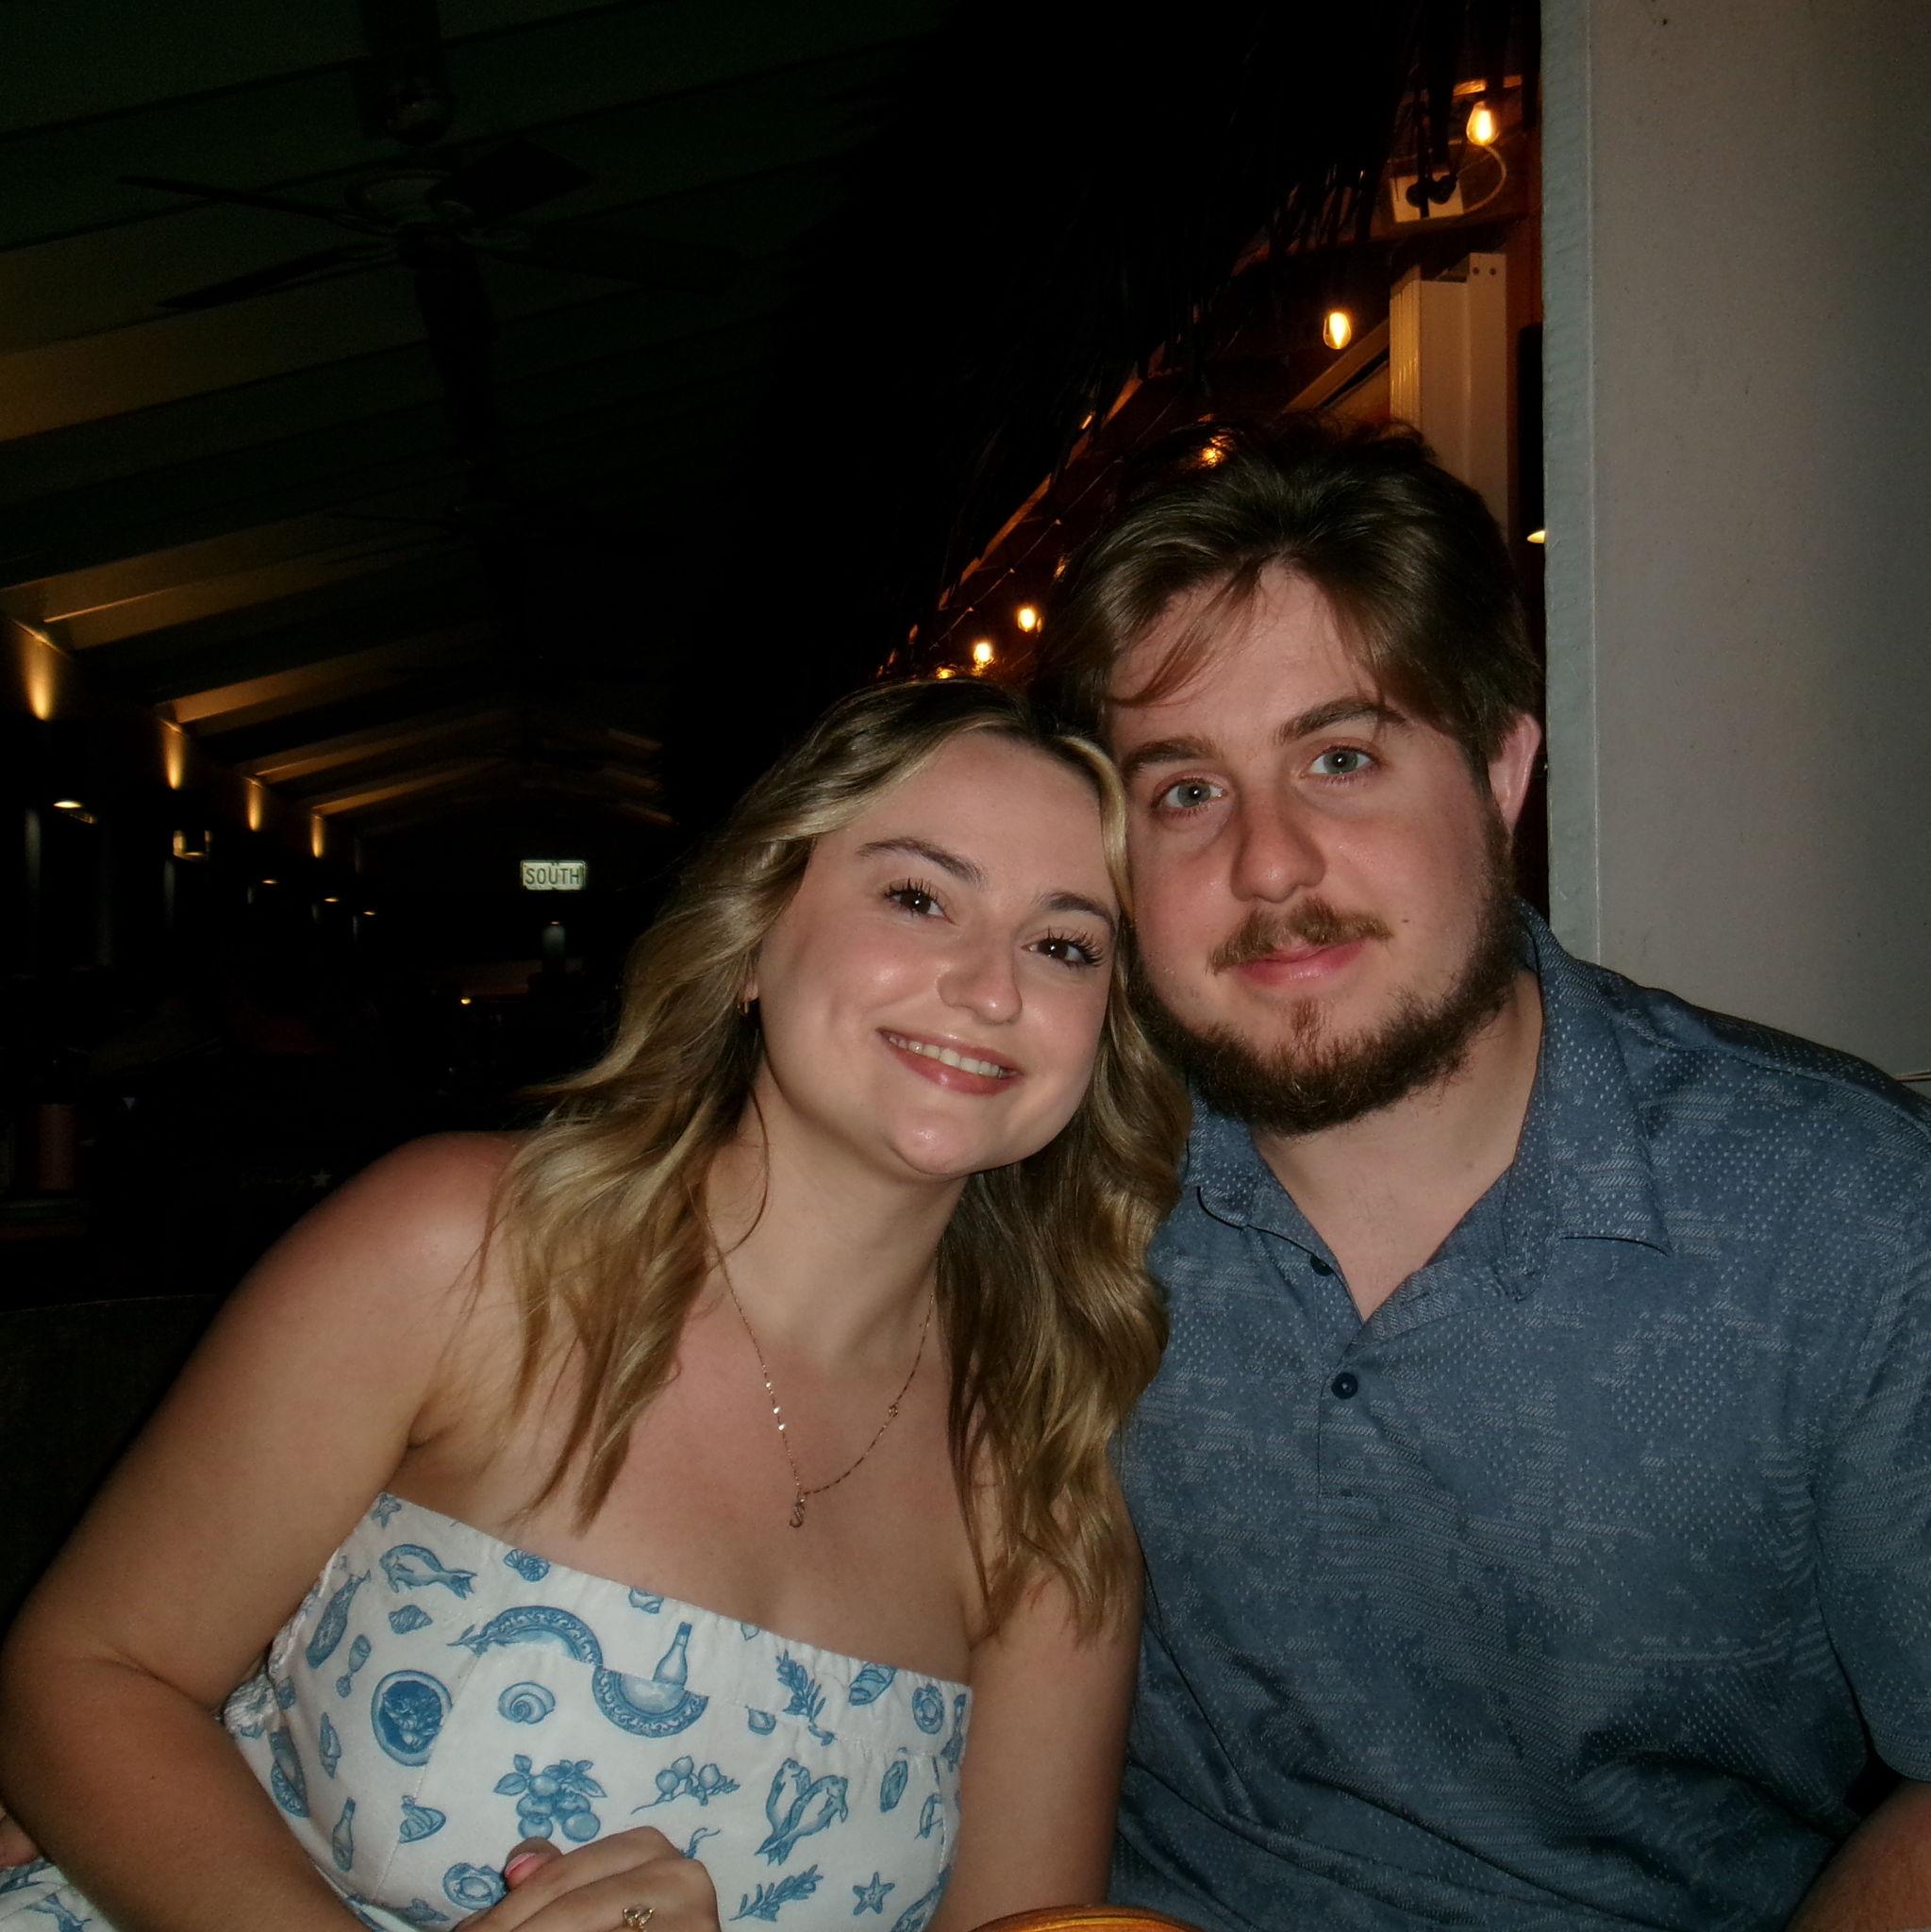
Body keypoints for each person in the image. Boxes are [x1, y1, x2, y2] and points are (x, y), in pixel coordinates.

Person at [0, 678, 1188, 1932]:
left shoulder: (1049, 1493)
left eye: (1066, 945)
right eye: (918, 897)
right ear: (752, 939)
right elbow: (88, 1674)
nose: (992, 989)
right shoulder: (471, 1250)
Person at [1032, 416, 1931, 1932]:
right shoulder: (1052, 1174)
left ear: (1502, 771)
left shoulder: (1844, 1217)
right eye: (1185, 791)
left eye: (1341, 759)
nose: (1269, 864)